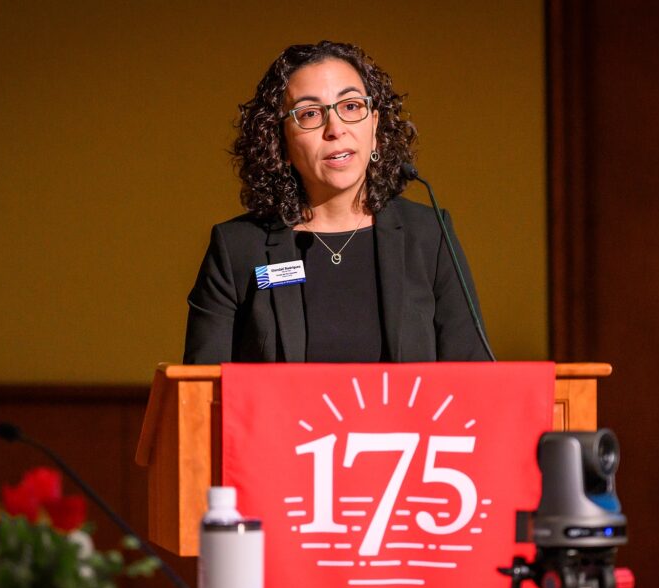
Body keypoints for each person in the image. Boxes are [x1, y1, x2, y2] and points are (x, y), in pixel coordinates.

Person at [184, 41, 488, 364]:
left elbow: (474, 376)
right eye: (310, 113)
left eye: (351, 106)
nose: (336, 128)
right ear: (281, 144)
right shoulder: (238, 250)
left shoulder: (429, 237)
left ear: (374, 126)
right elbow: (198, 397)